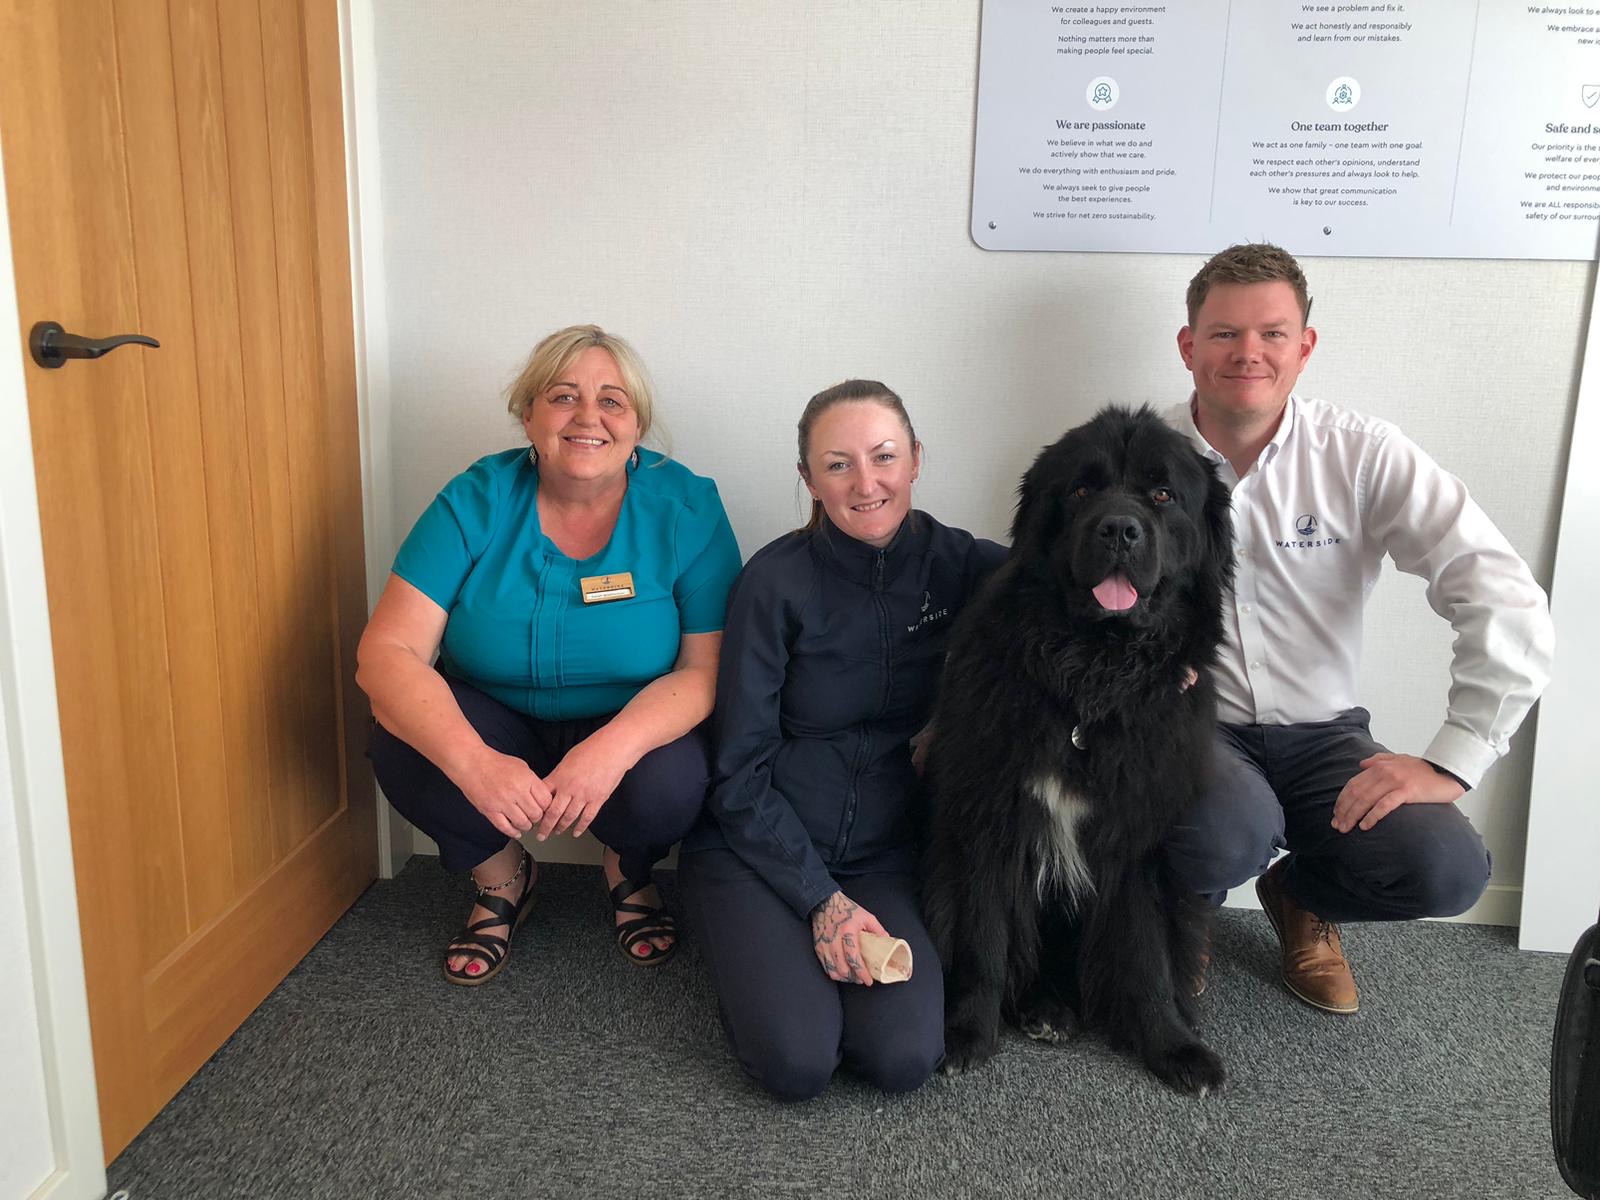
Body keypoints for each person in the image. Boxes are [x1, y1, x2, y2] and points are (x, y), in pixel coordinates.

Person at [1162, 244, 1555, 1014]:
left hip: (1324, 735)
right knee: (1225, 827)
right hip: (1193, 724)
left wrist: (1454, 759)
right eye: (1223, 334)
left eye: (1273, 334)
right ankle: (1185, 915)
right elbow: (1068, 594)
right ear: (1188, 346)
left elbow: (1501, 592)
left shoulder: (1363, 455)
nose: (1249, 353)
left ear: (1305, 348)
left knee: (1446, 869)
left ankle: (1301, 896)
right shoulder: (1139, 456)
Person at [357, 324, 741, 984]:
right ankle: (504, 878)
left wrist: (610, 751)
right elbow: (386, 653)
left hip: (626, 716)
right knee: (398, 737)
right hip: (494, 712)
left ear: (637, 424)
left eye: (613, 401)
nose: (588, 416)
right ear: (528, 413)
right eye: (564, 396)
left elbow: (707, 671)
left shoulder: (687, 507)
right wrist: (472, 762)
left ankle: (629, 867)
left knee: (674, 779)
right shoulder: (474, 500)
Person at [679, 380, 1006, 1099]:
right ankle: (739, 931)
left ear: (916, 459)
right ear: (807, 479)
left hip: (881, 855)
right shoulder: (773, 583)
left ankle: (803, 955)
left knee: (902, 1059)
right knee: (797, 1065)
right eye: (837, 464)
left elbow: (1069, 589)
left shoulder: (958, 563)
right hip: (758, 848)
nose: (866, 483)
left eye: (884, 456)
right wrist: (818, 900)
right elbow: (736, 773)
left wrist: (1174, 660)